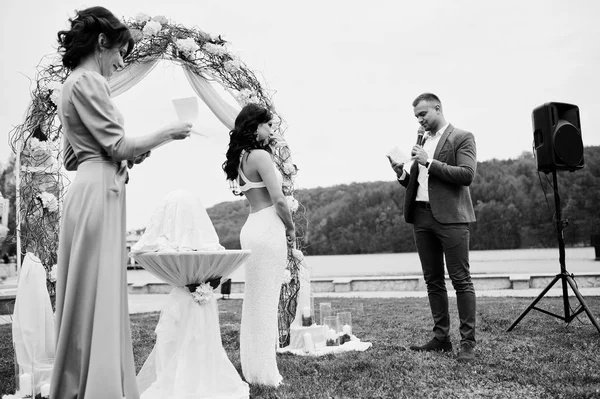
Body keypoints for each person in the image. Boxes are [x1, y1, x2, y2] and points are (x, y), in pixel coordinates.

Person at [52, 7, 191, 398]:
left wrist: (125, 154)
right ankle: (101, 387)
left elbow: (72, 157)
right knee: (100, 291)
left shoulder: (70, 84)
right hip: (100, 196)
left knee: (85, 292)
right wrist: (167, 133)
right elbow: (116, 145)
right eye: (120, 53)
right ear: (102, 42)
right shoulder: (92, 82)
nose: (120, 63)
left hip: (87, 188)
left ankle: (78, 382)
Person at [388, 93, 477, 362]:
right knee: (433, 281)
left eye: (423, 114)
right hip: (421, 218)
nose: (420, 120)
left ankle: (468, 343)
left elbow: (466, 175)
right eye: (416, 116)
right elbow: (417, 182)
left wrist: (429, 161)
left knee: (461, 280)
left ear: (437, 109)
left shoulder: (462, 137)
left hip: (451, 218)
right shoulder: (423, 141)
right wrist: (401, 172)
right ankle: (441, 338)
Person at [222, 103, 295, 386]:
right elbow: (278, 199)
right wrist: (289, 228)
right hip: (267, 227)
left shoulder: (240, 158)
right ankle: (265, 374)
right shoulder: (261, 156)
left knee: (255, 300)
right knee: (266, 301)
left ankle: (253, 368)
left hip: (250, 226)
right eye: (268, 125)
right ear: (255, 126)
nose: (271, 130)